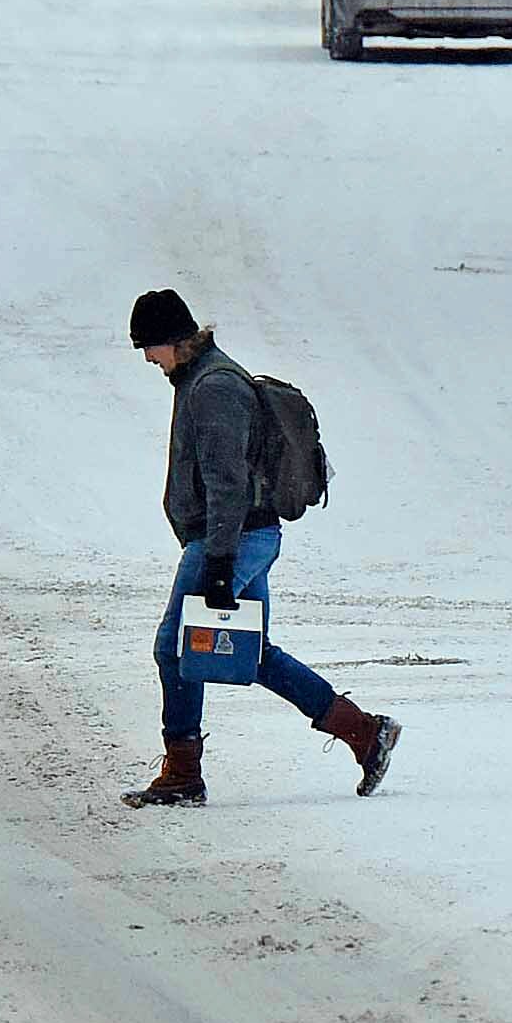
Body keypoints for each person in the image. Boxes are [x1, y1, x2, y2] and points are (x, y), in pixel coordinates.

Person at [121, 289, 401, 808]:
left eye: (148, 347)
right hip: (242, 536)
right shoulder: (199, 379)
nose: (147, 358)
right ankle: (365, 733)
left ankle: (183, 774)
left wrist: (219, 562)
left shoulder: (214, 387)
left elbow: (227, 482)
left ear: (174, 340)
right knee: (250, 653)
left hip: (233, 539)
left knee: (175, 647)